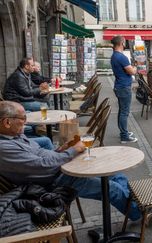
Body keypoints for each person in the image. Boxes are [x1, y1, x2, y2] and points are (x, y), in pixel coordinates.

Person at [0, 101, 141, 221]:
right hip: (52, 185)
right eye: (23, 117)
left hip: (59, 170)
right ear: (7, 122)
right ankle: (138, 214)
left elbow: (40, 155)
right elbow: (42, 166)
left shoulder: (13, 136)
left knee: (116, 174)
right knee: (112, 188)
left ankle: (132, 203)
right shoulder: (4, 148)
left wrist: (60, 151)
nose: (25, 121)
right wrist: (73, 151)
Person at [110, 35, 138, 144]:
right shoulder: (121, 57)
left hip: (119, 85)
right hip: (123, 87)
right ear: (122, 43)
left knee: (122, 111)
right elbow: (132, 71)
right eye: (124, 42)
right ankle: (124, 136)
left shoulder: (114, 56)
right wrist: (135, 68)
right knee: (124, 112)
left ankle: (123, 132)